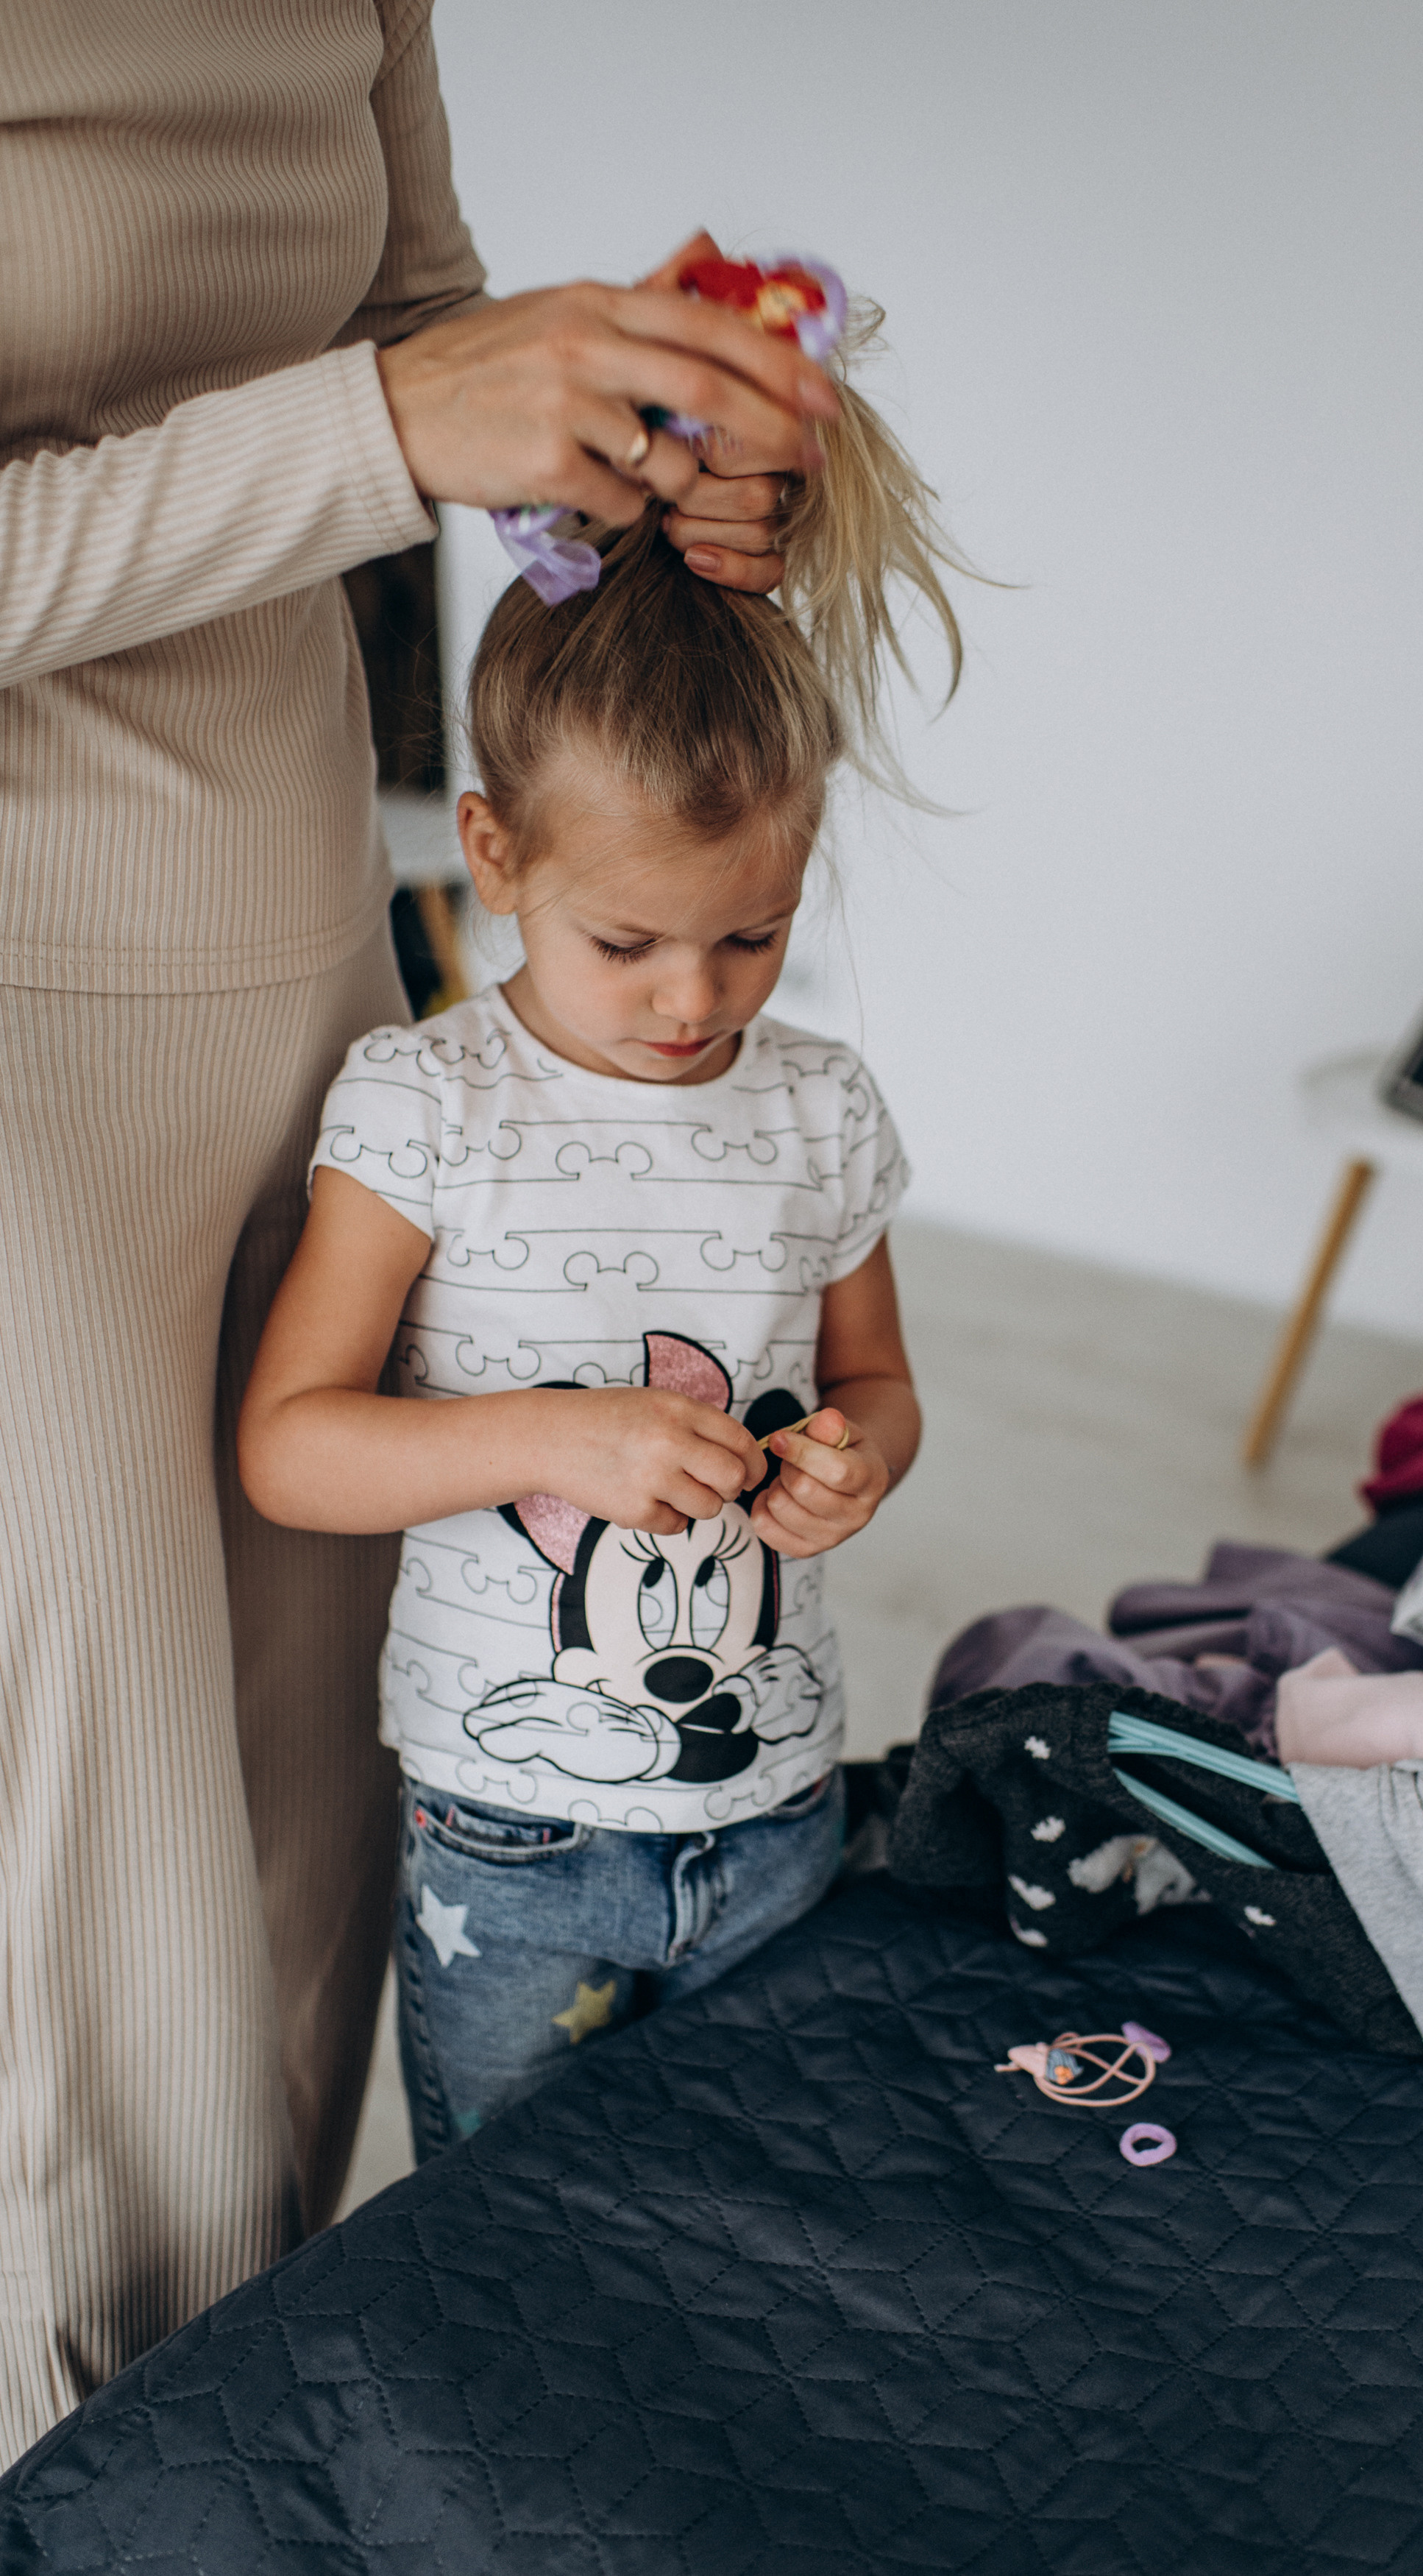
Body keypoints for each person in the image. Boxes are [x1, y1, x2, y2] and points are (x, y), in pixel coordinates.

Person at [0, 0, 840, 2460]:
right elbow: (373, 419)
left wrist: (624, 444)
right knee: (97, 1876)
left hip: (292, 933)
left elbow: (411, 327)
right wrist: (384, 435)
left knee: (319, 1814)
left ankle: (254, 2440)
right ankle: (94, 2482)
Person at [238, 342, 962, 2151]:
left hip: (779, 1796)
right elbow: (292, 1446)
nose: (690, 998)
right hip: (513, 1829)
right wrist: (563, 1435)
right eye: (628, 940)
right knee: (497, 2238)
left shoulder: (820, 1106)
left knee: (739, 2207)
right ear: (495, 853)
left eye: (753, 937)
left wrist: (858, 1458)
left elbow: (877, 1377)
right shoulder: (424, 1104)